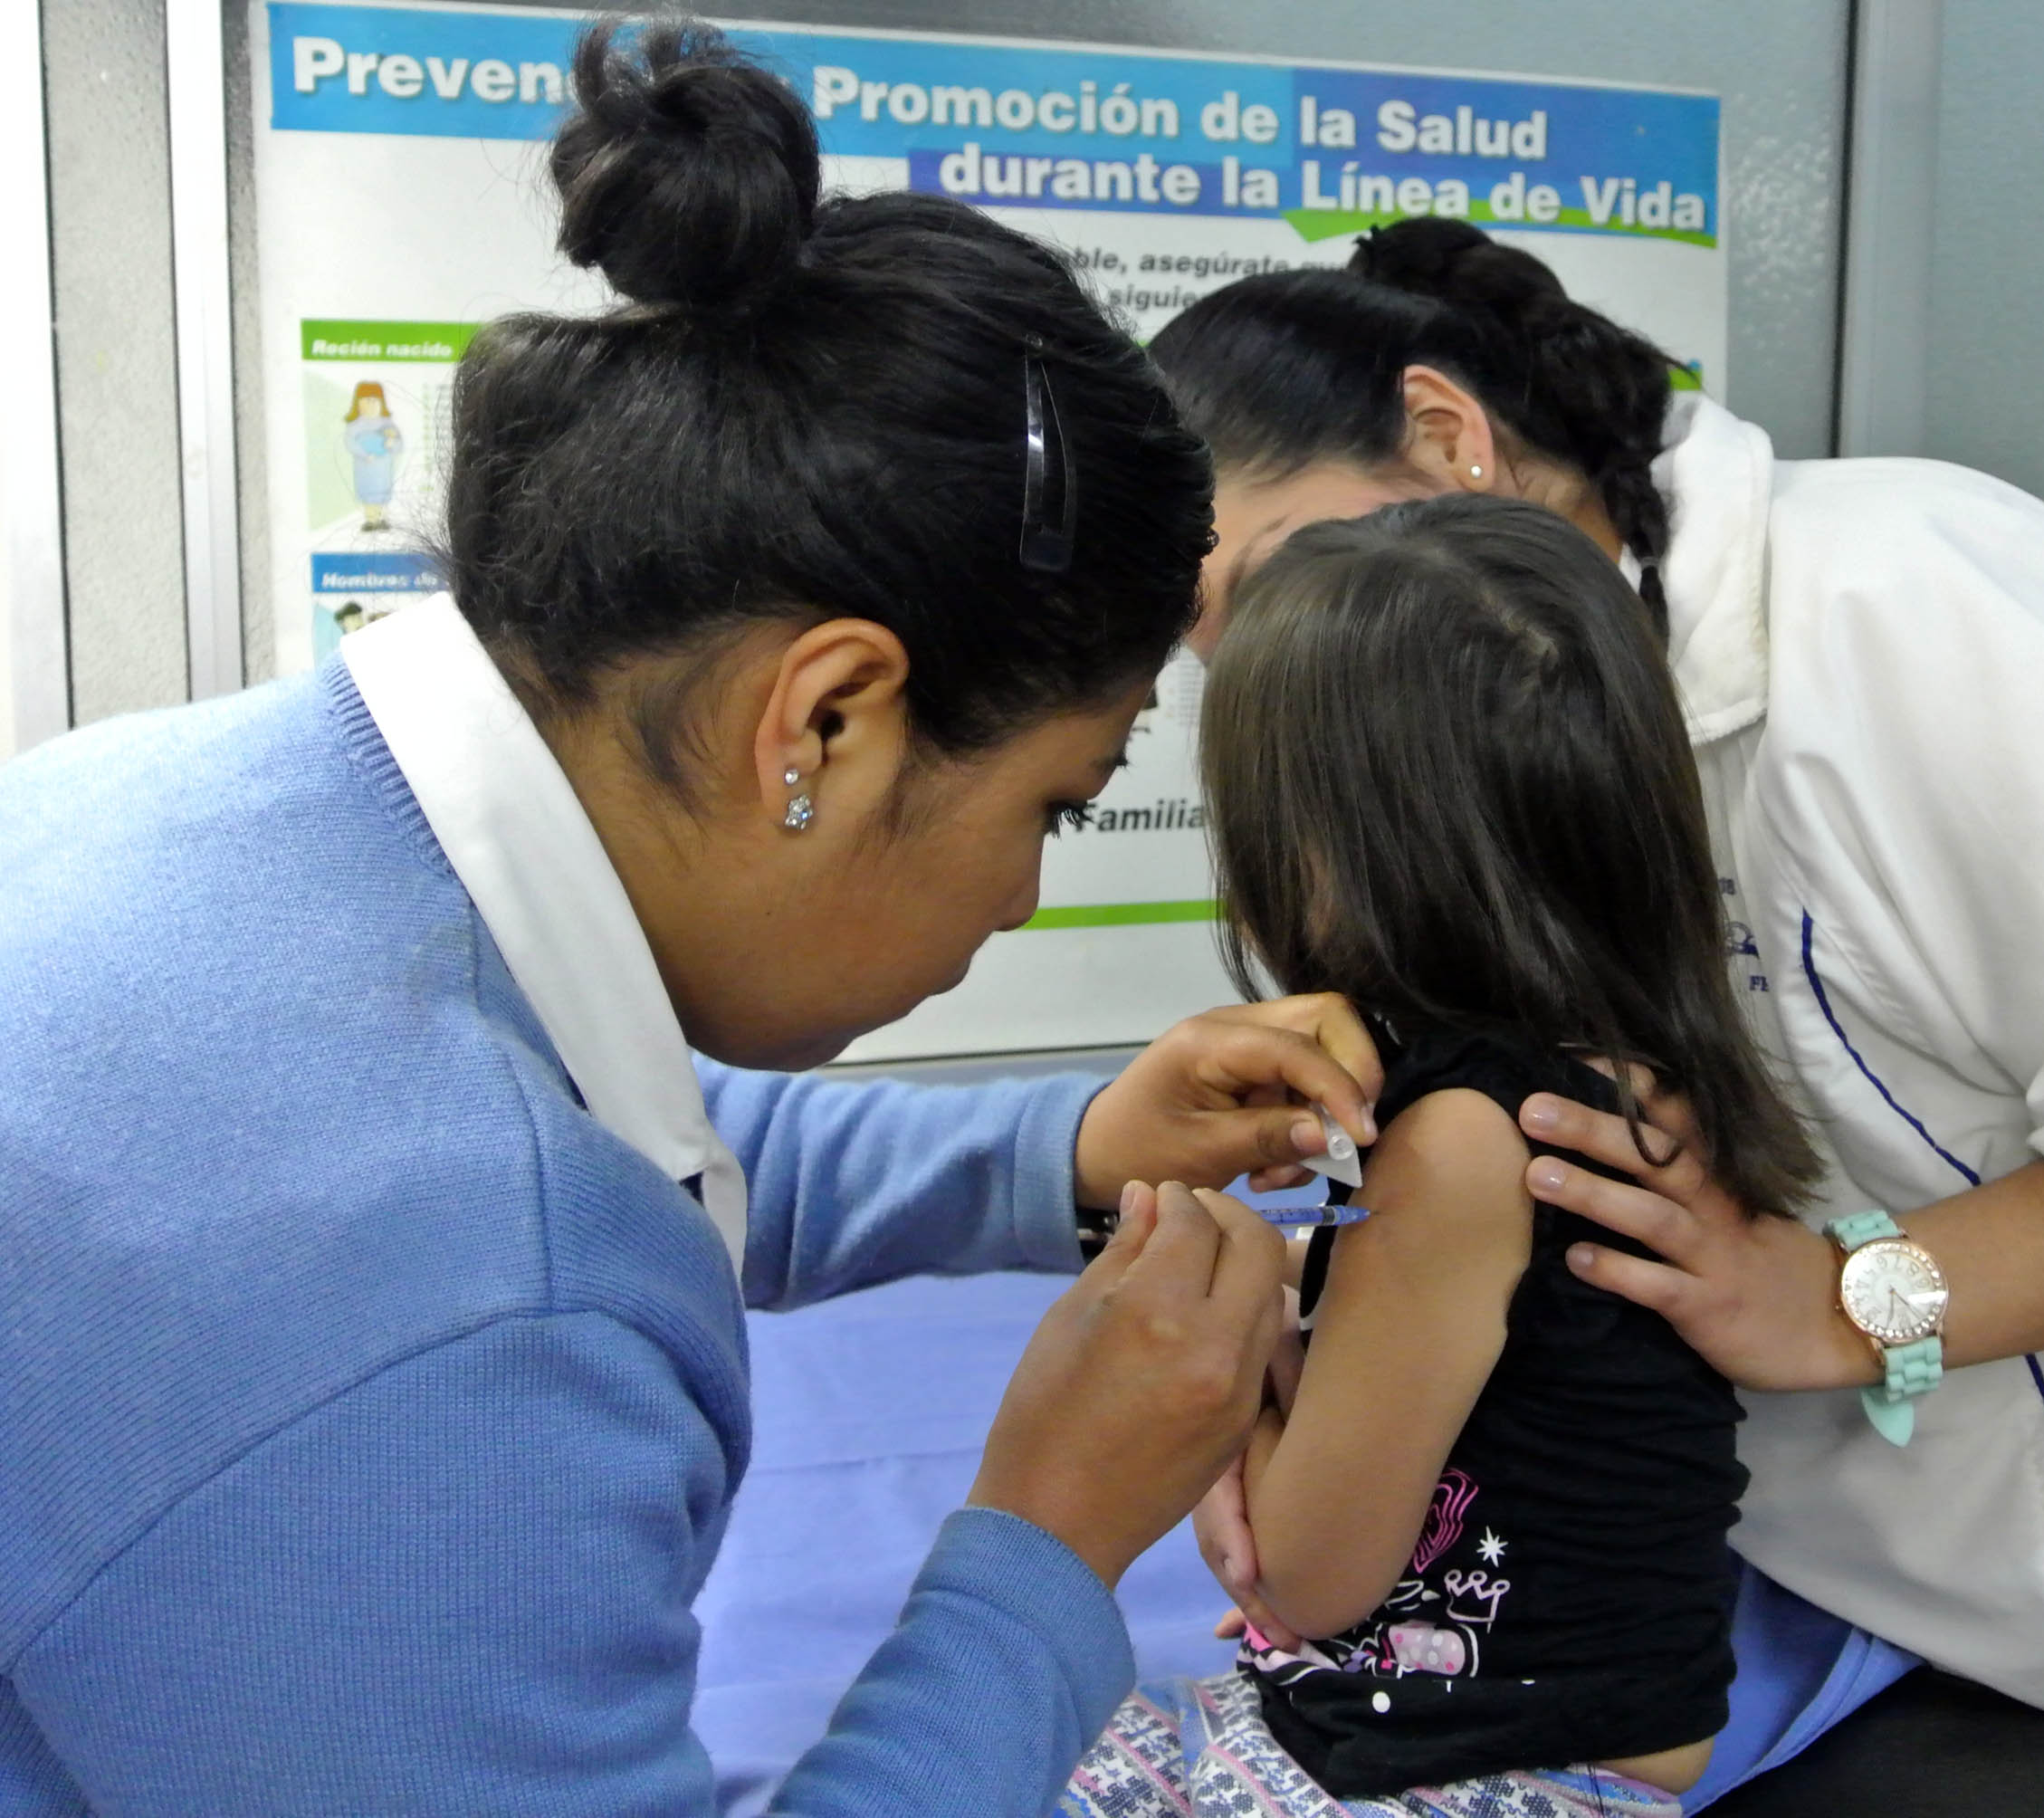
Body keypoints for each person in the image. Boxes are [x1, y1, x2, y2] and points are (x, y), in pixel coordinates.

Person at [0, 24, 1378, 1818]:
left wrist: (1070, 1148)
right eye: (1060, 802)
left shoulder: (211, 813)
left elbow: (630, 1142)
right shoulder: (454, 1306)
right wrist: (1049, 1535)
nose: (1027, 893)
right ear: (820, 721)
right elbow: (501, 1228)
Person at [1151, 219, 2044, 1818]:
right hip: (1818, 1625)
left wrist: (1856, 1297)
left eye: (1263, 581)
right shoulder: (1514, 715)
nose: (1255, 670)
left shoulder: (1898, 601)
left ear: (1449, 439)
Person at [1065, 496, 1825, 1818]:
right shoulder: (1609, 1073)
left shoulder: (1461, 1143)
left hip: (1486, 1781)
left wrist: (1234, 1343)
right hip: (1422, 1735)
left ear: (1323, 842)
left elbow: (1301, 1579)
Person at [341, 379, 405, 531]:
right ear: (357, 404)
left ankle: (382, 519)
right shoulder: (354, 426)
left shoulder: (388, 424)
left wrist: (392, 443)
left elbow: (399, 443)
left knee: (382, 494)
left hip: (383, 470)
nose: (370, 405)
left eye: (374, 401)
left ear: (381, 403)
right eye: (366, 401)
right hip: (365, 469)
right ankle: (371, 520)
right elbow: (350, 443)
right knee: (368, 495)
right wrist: (364, 454)